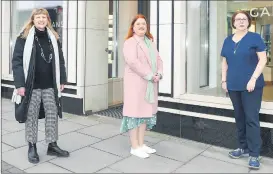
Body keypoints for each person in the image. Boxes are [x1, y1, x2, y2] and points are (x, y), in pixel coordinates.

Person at [12, 8, 69, 164]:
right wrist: (20, 84)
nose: (41, 20)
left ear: (48, 20)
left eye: (44, 17)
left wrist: (62, 79)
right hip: (32, 85)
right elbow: (16, 62)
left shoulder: (54, 37)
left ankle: (52, 144)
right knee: (31, 116)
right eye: (38, 17)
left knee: (52, 114)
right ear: (33, 19)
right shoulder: (23, 37)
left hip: (50, 84)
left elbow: (61, 61)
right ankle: (32, 146)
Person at [221, 11, 267, 170]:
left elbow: (263, 59)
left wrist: (253, 79)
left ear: (248, 22)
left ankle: (255, 153)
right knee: (239, 117)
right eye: (238, 19)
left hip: (251, 86)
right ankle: (243, 147)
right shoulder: (227, 40)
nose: (241, 21)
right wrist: (224, 80)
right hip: (233, 85)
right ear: (233, 23)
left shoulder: (255, 38)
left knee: (251, 118)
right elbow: (224, 62)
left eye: (244, 19)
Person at [120, 14, 163, 159]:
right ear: (133, 27)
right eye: (138, 24)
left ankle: (141, 143)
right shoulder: (130, 42)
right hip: (136, 84)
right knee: (134, 115)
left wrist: (159, 73)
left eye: (144, 24)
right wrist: (150, 75)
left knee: (144, 114)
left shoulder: (150, 42)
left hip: (149, 84)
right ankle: (134, 146)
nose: (141, 26)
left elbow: (158, 59)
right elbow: (133, 62)